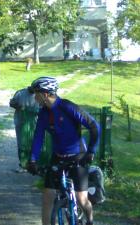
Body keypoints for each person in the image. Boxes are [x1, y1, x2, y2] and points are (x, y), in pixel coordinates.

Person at [27, 77, 100, 225]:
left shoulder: (67, 107)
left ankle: (90, 220)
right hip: (58, 156)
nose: (35, 97)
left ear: (45, 94)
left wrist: (91, 151)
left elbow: (94, 126)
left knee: (81, 199)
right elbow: (38, 137)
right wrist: (33, 160)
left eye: (36, 93)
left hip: (78, 156)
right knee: (48, 195)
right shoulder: (43, 113)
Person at [9, 86, 39, 172]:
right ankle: (23, 164)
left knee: (34, 142)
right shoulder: (20, 93)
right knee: (22, 143)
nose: (35, 91)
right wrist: (19, 107)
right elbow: (11, 103)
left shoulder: (39, 94)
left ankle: (33, 164)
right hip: (21, 122)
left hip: (35, 123)